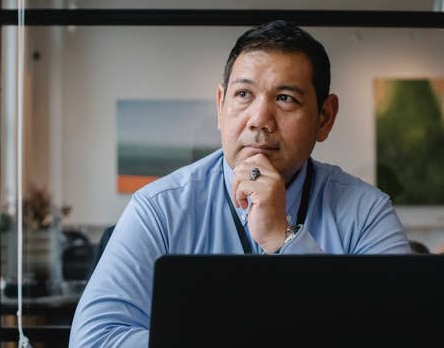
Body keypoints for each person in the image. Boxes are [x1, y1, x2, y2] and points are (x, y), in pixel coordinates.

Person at [70, 20, 411, 347]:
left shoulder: (366, 211)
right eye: (244, 94)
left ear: (324, 117)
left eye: (285, 98)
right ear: (221, 106)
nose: (260, 119)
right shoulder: (159, 208)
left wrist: (284, 238)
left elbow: (404, 335)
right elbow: (93, 339)